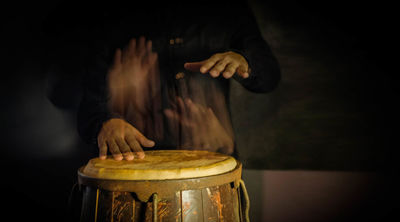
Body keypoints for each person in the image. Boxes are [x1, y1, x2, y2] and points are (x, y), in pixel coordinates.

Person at [72, 0, 281, 161]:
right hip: (131, 163)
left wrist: (245, 62)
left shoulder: (228, 8)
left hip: (213, 154)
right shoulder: (107, 13)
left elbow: (269, 77)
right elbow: (76, 97)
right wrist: (107, 121)